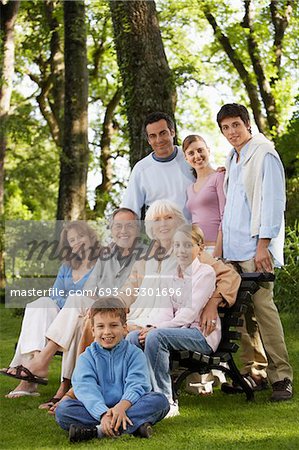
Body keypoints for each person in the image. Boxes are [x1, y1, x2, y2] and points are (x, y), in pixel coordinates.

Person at [0, 209, 142, 403]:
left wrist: (96, 303)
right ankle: (37, 369)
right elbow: (90, 288)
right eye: (118, 226)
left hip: (118, 312)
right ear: (112, 229)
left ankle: (44, 367)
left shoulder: (142, 257)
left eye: (129, 226)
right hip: (92, 308)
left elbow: (129, 292)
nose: (123, 231)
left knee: (76, 306)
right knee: (44, 305)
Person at [217, 102, 293, 401]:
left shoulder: (264, 154)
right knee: (242, 314)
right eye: (225, 128)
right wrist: (222, 253)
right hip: (233, 251)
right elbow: (231, 209)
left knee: (264, 311)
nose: (231, 132)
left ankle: (282, 377)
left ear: (247, 124)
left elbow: (273, 202)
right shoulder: (234, 159)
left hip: (254, 249)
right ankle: (255, 372)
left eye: (235, 125)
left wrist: (264, 246)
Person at [127, 224, 220, 417]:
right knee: (133, 338)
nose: (181, 250)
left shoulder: (205, 273)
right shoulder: (170, 276)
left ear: (200, 247)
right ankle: (141, 395)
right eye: (177, 245)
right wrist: (151, 327)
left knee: (156, 337)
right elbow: (164, 311)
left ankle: (166, 402)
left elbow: (189, 313)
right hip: (174, 331)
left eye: (187, 245)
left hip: (200, 335)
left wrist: (156, 330)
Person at [2, 221, 98, 398]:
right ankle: (36, 366)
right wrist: (66, 305)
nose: (77, 242)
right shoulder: (67, 267)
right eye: (72, 239)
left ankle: (32, 373)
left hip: (87, 316)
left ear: (90, 237)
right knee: (40, 303)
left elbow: (93, 296)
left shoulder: (101, 264)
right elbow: (54, 295)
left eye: (81, 236)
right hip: (64, 315)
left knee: (76, 300)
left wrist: (68, 303)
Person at [55, 298, 169, 443]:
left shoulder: (135, 354)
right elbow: (85, 388)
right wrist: (103, 414)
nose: (107, 332)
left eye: (114, 325)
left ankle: (97, 431)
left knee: (159, 401)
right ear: (93, 330)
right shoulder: (86, 358)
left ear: (124, 327)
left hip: (128, 406)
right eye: (101, 326)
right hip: (95, 410)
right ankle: (133, 427)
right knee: (63, 410)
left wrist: (121, 407)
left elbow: (138, 383)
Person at [121, 111, 194, 220]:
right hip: (161, 234)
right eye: (153, 136)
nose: (159, 140)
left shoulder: (191, 157)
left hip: (193, 233)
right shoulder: (141, 169)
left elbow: (210, 185)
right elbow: (130, 210)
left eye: (163, 133)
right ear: (149, 140)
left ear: (172, 132)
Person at [183, 134, 225, 257]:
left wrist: (218, 249)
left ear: (208, 151)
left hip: (215, 248)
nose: (197, 156)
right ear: (186, 159)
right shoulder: (189, 189)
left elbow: (225, 216)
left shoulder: (219, 177)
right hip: (196, 250)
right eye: (191, 153)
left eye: (200, 150)